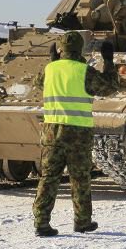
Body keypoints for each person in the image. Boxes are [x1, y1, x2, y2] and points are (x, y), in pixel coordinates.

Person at [33, 31, 118, 237]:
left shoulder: (49, 69)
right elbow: (109, 87)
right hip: (77, 135)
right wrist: (108, 62)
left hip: (52, 132)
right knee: (79, 179)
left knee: (49, 178)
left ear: (60, 48)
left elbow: (38, 84)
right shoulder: (84, 71)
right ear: (80, 49)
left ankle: (41, 223)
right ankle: (82, 222)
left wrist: (53, 62)